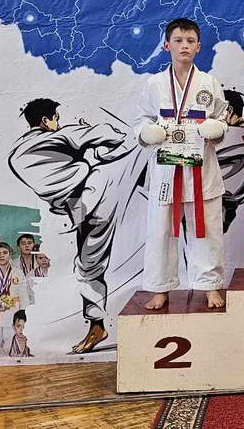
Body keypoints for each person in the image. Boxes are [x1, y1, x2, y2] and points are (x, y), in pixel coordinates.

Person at [9, 97, 146, 353]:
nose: (59, 123)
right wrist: (93, 148)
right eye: (56, 119)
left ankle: (97, 324)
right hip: (95, 190)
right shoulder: (61, 136)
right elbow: (112, 135)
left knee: (88, 264)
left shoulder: (17, 153)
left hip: (81, 202)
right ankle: (97, 326)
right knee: (87, 264)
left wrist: (88, 154)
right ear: (45, 121)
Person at [135, 17, 229, 310]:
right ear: (167, 45)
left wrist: (217, 128)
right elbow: (142, 119)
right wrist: (146, 132)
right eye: (178, 40)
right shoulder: (154, 84)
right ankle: (160, 288)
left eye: (190, 41)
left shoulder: (209, 83)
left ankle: (210, 286)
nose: (184, 46)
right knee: (160, 231)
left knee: (207, 229)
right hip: (166, 170)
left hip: (201, 169)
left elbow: (222, 117)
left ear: (199, 47)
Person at [14, 233, 50, 307]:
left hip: (42, 300)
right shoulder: (13, 264)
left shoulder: (43, 261)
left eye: (30, 243)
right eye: (23, 243)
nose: (27, 245)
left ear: (33, 245)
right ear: (18, 247)